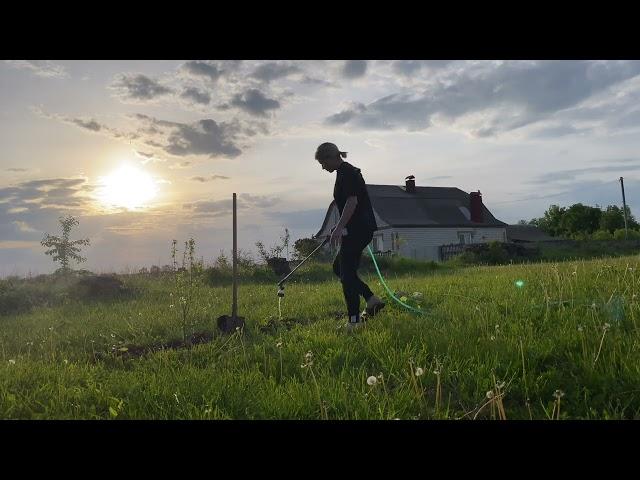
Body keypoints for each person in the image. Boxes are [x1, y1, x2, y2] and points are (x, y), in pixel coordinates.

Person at [315, 142, 386, 330]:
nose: (323, 167)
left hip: (359, 230)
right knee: (339, 268)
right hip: (354, 230)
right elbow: (348, 205)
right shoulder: (343, 173)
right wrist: (338, 228)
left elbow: (352, 202)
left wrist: (339, 227)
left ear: (331, 157)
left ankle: (354, 322)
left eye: (323, 163)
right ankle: (371, 300)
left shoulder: (348, 172)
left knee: (346, 275)